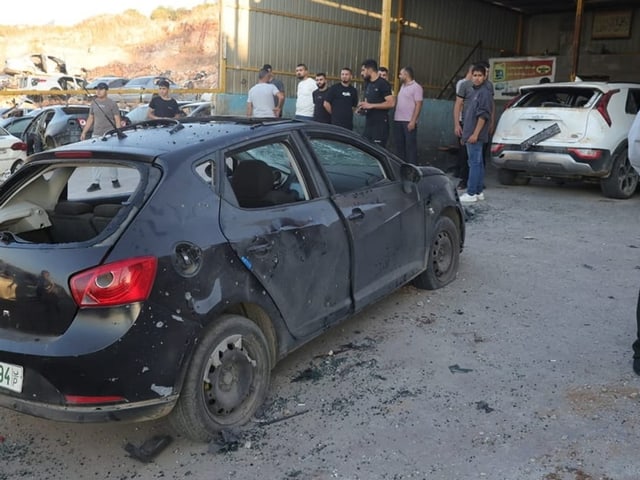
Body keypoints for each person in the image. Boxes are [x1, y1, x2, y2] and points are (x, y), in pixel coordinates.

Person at [453, 62, 495, 190]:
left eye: (481, 75)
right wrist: (457, 124)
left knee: (476, 161)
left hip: (476, 130)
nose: (478, 78)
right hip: (468, 127)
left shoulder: (486, 90)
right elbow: (458, 105)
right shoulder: (466, 86)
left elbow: (483, 114)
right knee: (471, 159)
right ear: (471, 74)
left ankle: (473, 191)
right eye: (475, 75)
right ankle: (471, 186)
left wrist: (477, 133)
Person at [81, 81, 122, 192]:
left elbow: (117, 119)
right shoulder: (94, 103)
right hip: (96, 134)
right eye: (97, 89)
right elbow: (90, 118)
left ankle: (114, 180)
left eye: (101, 89)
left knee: (111, 159)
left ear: (106, 90)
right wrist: (84, 132)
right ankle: (96, 183)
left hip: (110, 134)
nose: (98, 91)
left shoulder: (112, 103)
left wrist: (118, 132)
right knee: (96, 159)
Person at [358, 58, 395, 147]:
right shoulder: (368, 84)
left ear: (370, 70)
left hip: (380, 125)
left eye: (363, 70)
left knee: (378, 150)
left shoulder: (383, 84)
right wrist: (362, 108)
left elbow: (391, 103)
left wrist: (371, 106)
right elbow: (368, 102)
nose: (362, 73)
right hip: (369, 123)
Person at [393, 66, 423, 164]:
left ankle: (412, 169)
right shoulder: (402, 86)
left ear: (406, 75)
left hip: (408, 122)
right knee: (399, 146)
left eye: (401, 74)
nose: (399, 76)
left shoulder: (416, 87)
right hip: (398, 120)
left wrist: (413, 121)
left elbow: (418, 104)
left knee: (410, 147)